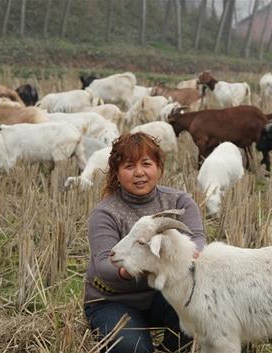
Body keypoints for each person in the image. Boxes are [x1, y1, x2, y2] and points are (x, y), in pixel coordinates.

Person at [84, 132, 206, 353]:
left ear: (159, 168)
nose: (139, 173)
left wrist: (187, 255)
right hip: (114, 300)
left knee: (204, 330)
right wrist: (135, 265)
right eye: (129, 166)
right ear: (117, 173)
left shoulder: (179, 202)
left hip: (166, 295)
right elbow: (104, 266)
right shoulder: (104, 213)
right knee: (134, 348)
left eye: (146, 164)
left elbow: (197, 241)